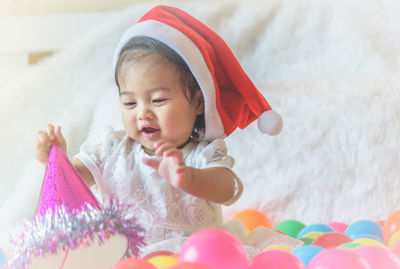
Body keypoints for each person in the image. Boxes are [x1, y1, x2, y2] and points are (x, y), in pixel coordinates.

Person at [34, 5, 298, 256]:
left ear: (197, 101)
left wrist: (189, 178)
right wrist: (56, 160)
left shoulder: (202, 153)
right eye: (129, 102)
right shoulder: (111, 148)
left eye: (158, 100)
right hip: (128, 254)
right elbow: (73, 183)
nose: (142, 113)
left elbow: (230, 190)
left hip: (197, 253)